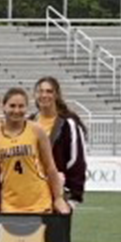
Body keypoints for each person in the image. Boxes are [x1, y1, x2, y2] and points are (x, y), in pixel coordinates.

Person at [0, 88, 71, 217]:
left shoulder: (36, 130)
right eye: (12, 106)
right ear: (4, 107)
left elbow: (50, 166)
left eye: (21, 106)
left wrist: (58, 198)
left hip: (39, 202)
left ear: (26, 108)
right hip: (10, 204)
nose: (16, 110)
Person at [34, 76, 88, 209]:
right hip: (32, 196)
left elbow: (77, 161)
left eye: (49, 91)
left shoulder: (68, 124)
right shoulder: (29, 122)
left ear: (56, 95)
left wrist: (72, 197)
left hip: (58, 195)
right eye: (40, 91)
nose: (44, 95)